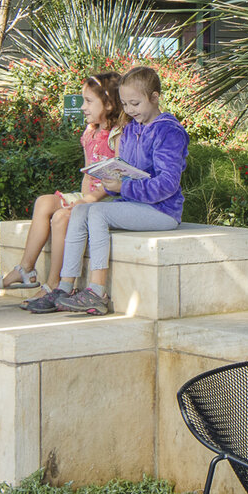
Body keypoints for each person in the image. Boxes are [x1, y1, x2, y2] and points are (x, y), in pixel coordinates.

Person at [34, 65, 187, 317]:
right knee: (83, 209)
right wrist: (111, 179)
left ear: (155, 97)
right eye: (125, 104)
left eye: (135, 103)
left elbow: (168, 184)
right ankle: (64, 288)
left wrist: (124, 186)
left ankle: (97, 292)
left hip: (162, 211)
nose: (129, 110)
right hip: (134, 205)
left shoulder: (168, 131)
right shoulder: (131, 128)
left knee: (98, 214)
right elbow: (126, 171)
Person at [0, 72, 124, 296]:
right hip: (89, 198)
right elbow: (87, 175)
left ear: (109, 104)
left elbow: (117, 181)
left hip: (111, 201)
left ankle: (54, 283)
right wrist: (83, 200)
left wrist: (85, 204)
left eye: (88, 101)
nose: (83, 107)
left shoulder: (118, 135)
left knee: (61, 217)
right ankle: (25, 268)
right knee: (45, 202)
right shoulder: (90, 132)